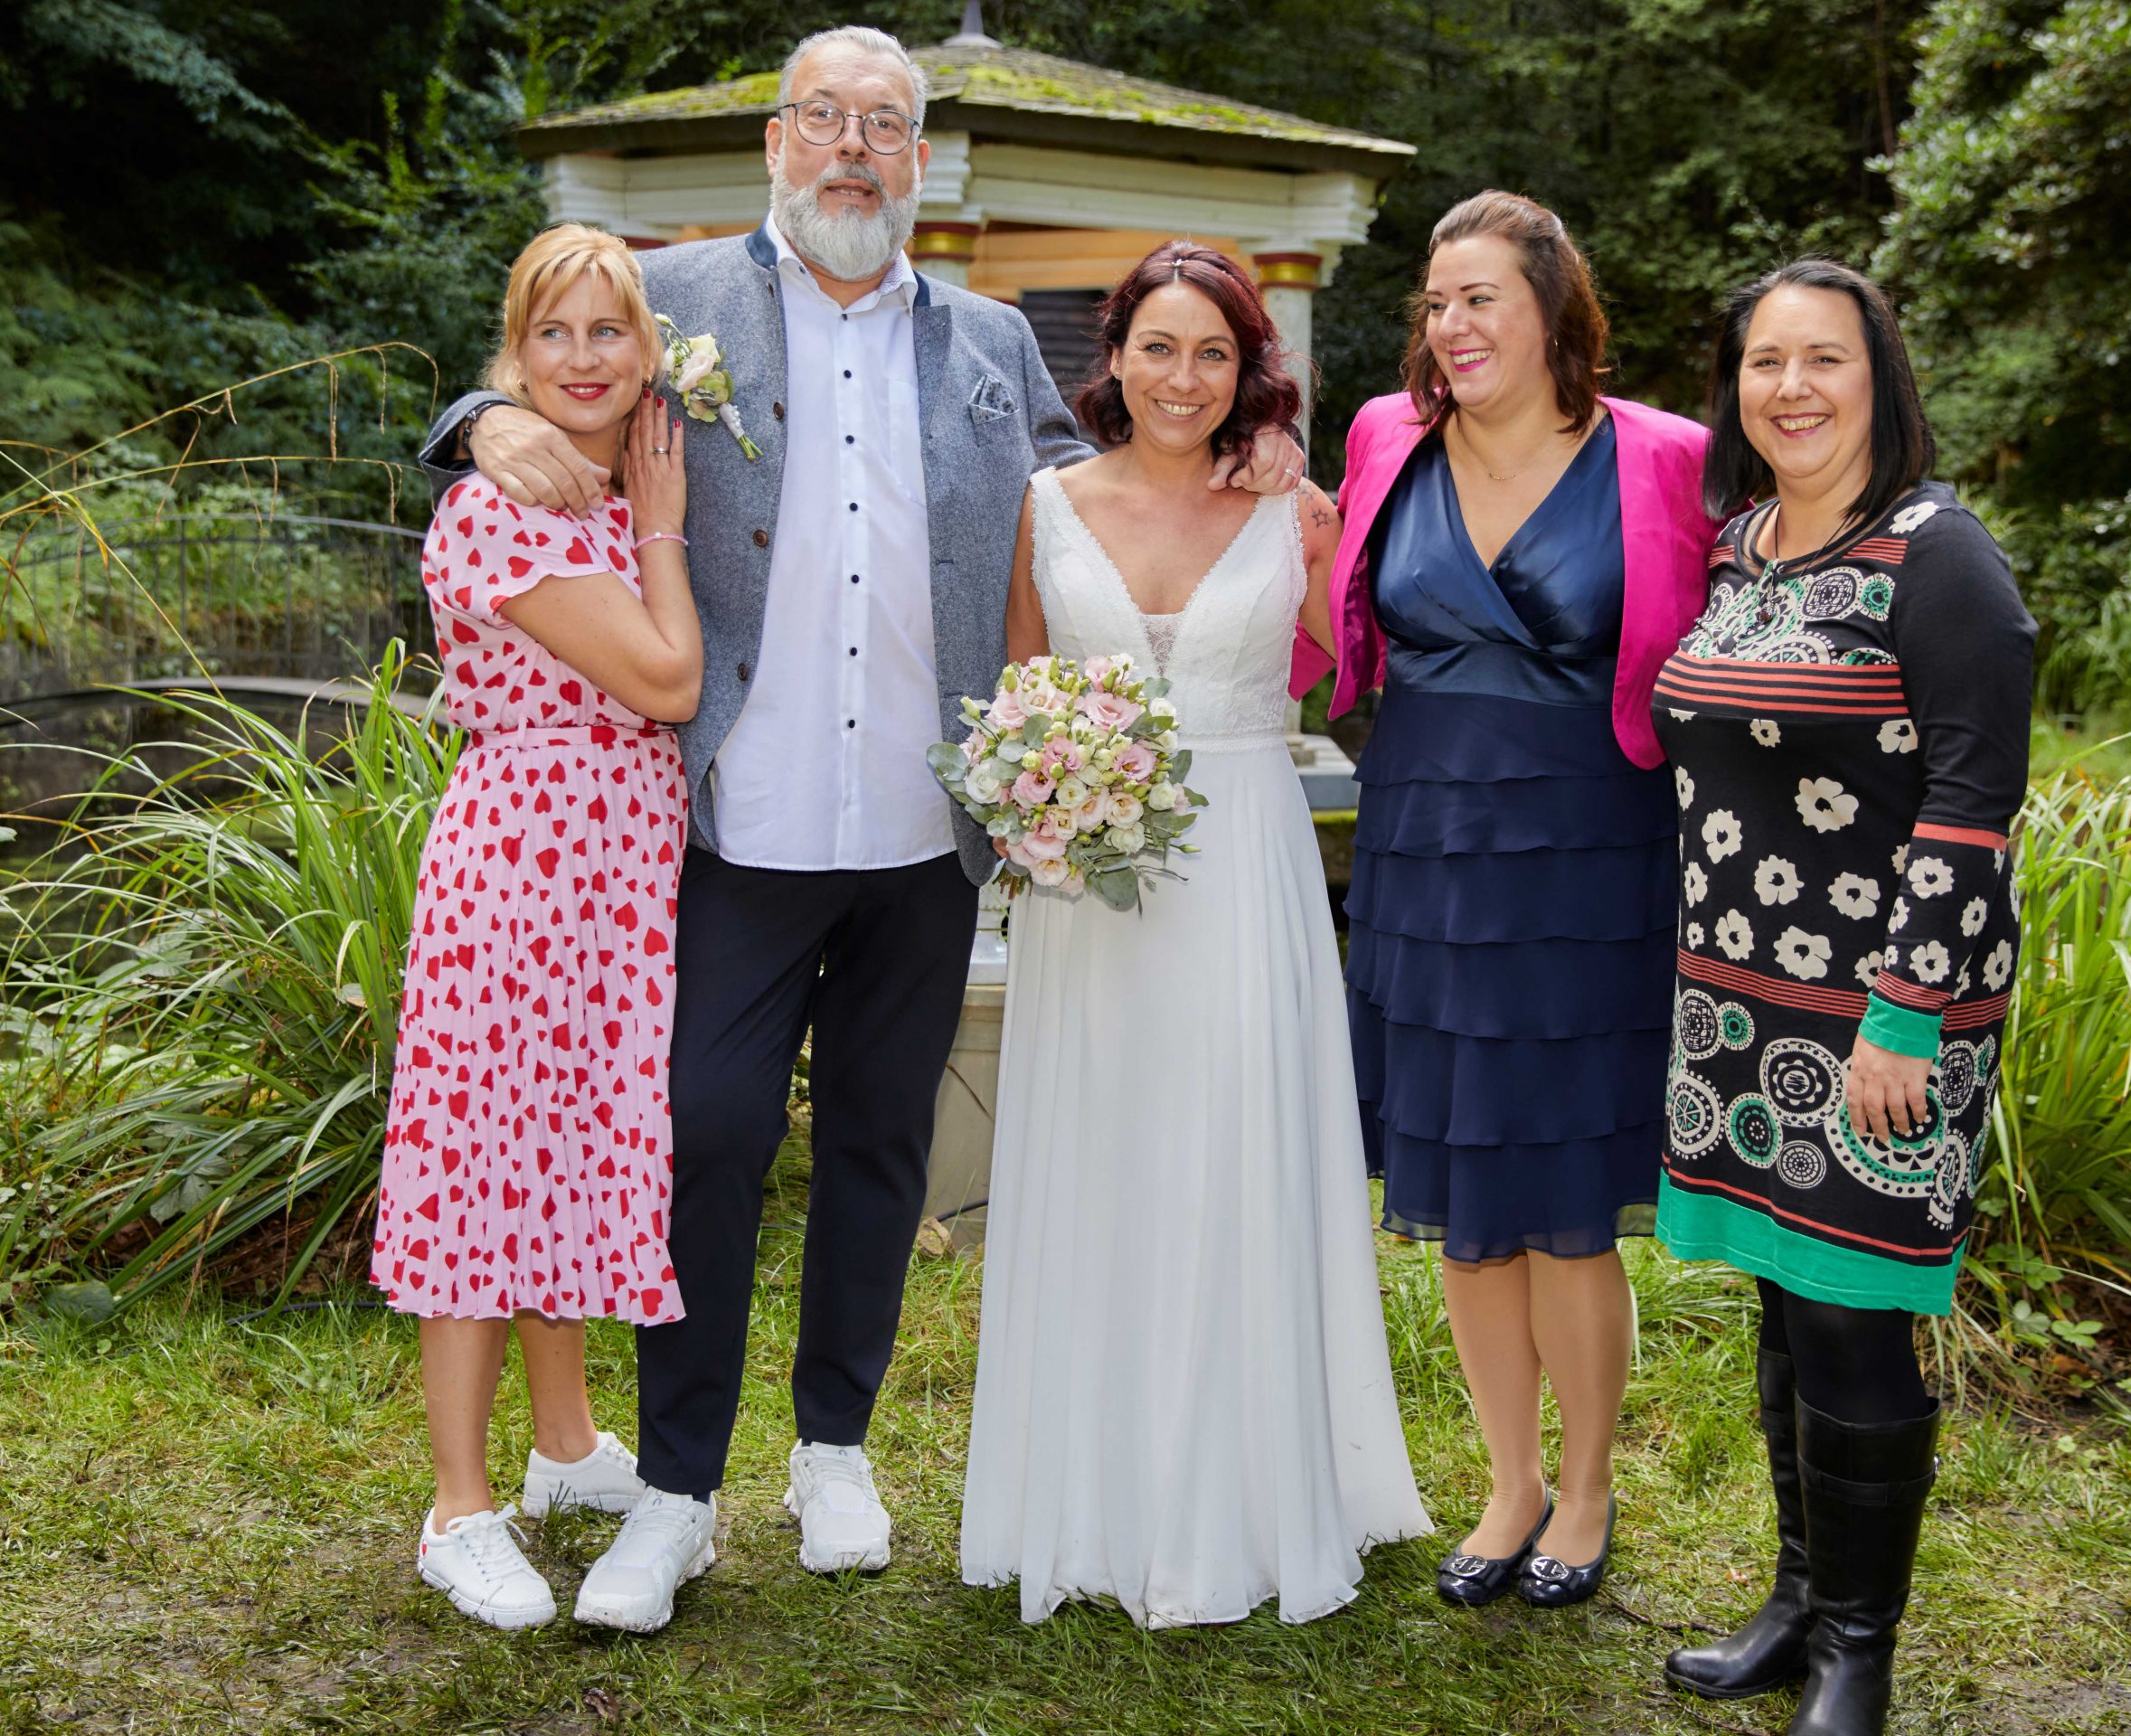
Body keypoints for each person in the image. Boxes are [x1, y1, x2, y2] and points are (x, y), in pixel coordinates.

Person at [418, 26, 1302, 1632]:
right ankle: (676, 1488)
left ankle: (834, 1445)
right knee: (706, 1134)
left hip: (919, 828)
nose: (851, 149)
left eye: (883, 125)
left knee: (882, 1145)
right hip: (732, 828)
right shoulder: (672, 297)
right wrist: (477, 419)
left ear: (917, 157)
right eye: (823, 118)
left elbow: (1096, 488)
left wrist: (1251, 453)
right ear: (774, 141)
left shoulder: (984, 339)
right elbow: (555, 355)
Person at [959, 241, 1429, 1628]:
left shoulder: (1296, 511)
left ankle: (1255, 1485)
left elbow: (1359, 666)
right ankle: (1090, 1492)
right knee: (1104, 1146)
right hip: (1090, 894)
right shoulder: (1047, 504)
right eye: (1158, 347)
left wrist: (1310, 491)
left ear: (1249, 372)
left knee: (1237, 1147)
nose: (1183, 377)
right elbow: (1019, 686)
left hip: (1245, 868)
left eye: (1213, 353)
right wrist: (1039, 805)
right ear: (1113, 359)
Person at [1290, 192, 1717, 1610]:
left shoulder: (1665, 457)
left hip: (1589, 854)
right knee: (1465, 1182)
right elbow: (1335, 620)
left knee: (1566, 1197)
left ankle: (1587, 1491)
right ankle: (1509, 1482)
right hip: (1424, 846)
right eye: (1437, 301)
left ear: (1553, 310)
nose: (1452, 324)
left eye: (1481, 297)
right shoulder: (1383, 437)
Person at [1652, 259, 2034, 1736]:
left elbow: (1974, 798)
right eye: (1766, 362)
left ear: (1880, 377)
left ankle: (1858, 1654)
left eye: (1825, 359)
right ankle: (1799, 1605)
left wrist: (1906, 1012)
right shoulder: (1741, 548)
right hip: (1741, 1001)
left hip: (1881, 1015)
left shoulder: (1941, 557)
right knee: (1786, 1302)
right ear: (1735, 387)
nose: (1792, 387)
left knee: (1856, 1316)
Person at [373, 222, 699, 1629]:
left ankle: (564, 1446)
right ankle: (458, 1510)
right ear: (513, 353)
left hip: (614, 878)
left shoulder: (619, 482)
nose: (582, 357)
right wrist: (666, 532)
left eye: (607, 329)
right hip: (522, 870)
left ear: (647, 349)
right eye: (552, 332)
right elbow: (666, 680)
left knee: (562, 1145)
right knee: (481, 1164)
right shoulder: (501, 508)